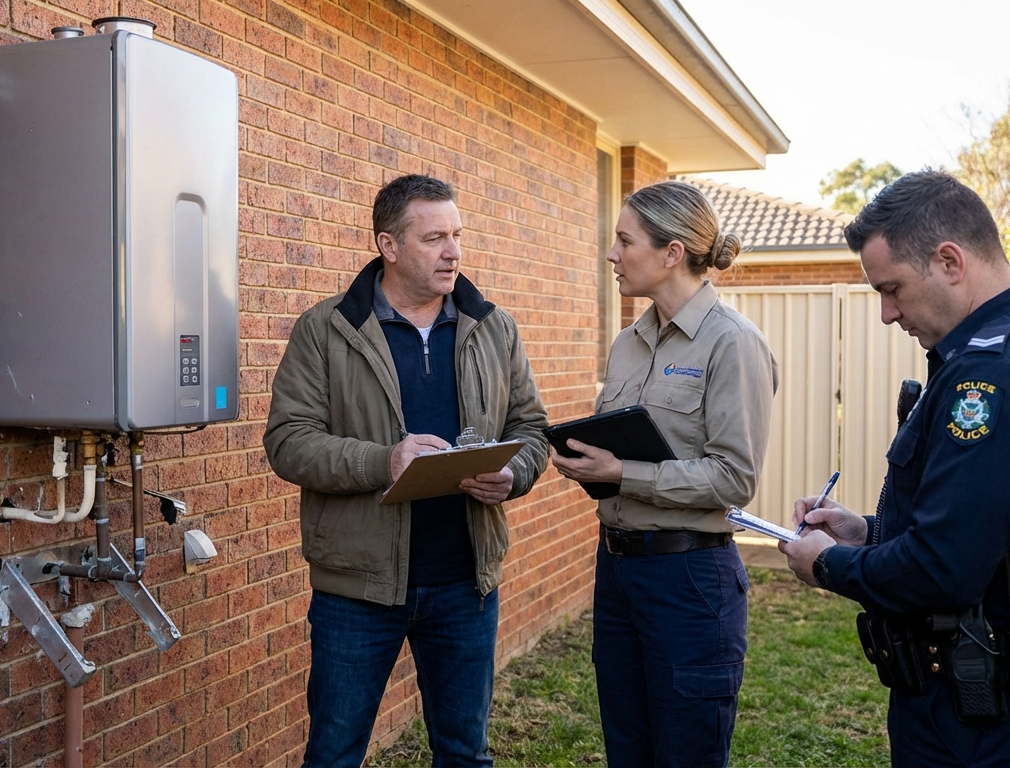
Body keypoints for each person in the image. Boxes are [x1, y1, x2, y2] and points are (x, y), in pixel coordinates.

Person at [779, 171, 1010, 766]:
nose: (889, 314)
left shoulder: (994, 375)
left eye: (892, 289)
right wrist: (866, 532)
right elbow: (993, 533)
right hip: (995, 693)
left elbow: (946, 568)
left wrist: (830, 564)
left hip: (991, 710)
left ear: (949, 261)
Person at [263, 174, 549, 767]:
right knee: (335, 754)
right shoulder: (326, 330)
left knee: (465, 753)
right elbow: (288, 442)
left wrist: (513, 473)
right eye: (435, 238)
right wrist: (383, 461)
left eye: (457, 236)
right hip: (357, 588)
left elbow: (531, 427)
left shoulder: (493, 326)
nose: (454, 252)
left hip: (465, 581)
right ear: (388, 245)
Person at [552, 180, 777, 767]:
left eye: (625, 241)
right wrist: (589, 464)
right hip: (618, 572)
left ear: (672, 252)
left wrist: (623, 471)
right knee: (627, 751)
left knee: (686, 755)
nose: (612, 254)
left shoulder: (734, 343)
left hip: (691, 580)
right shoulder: (627, 343)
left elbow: (734, 478)